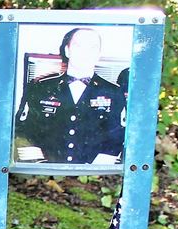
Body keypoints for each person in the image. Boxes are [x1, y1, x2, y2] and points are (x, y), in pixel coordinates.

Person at [14, 28, 125, 165]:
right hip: (45, 174)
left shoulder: (113, 92)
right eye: (78, 46)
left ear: (99, 54)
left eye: (92, 47)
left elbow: (118, 134)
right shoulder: (40, 87)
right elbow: (23, 128)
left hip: (92, 176)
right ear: (67, 50)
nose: (85, 52)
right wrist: (39, 165)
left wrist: (97, 169)